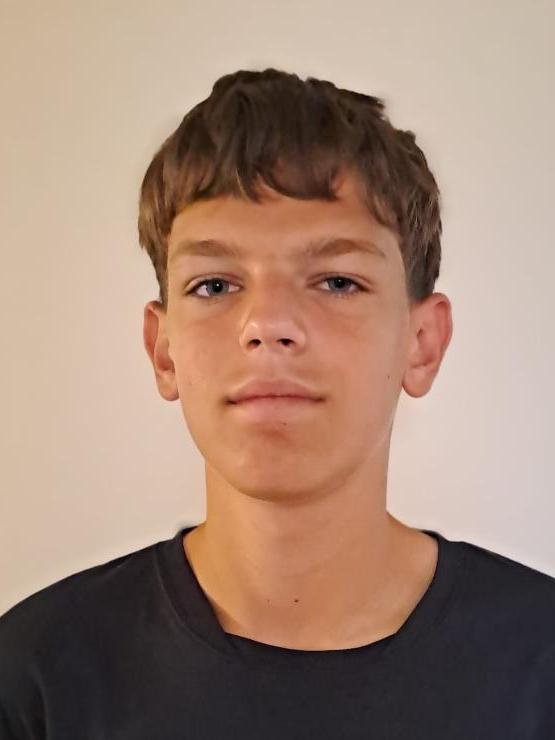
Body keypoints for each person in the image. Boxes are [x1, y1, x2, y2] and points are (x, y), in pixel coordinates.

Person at [1, 67, 554, 739]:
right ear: (164, 350)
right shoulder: (37, 679)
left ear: (422, 343)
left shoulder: (537, 662)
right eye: (213, 285)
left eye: (337, 281)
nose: (267, 323)